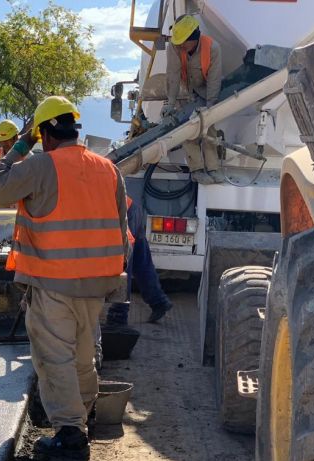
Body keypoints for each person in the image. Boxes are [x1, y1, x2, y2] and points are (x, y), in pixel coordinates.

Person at [0, 96, 130, 459]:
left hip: (53, 281)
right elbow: (121, 227)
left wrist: (19, 147)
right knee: (84, 354)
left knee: (55, 358)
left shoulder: (40, 166)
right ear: (73, 128)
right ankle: (83, 415)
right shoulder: (107, 169)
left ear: (45, 135)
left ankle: (69, 432)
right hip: (97, 283)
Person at [161, 14, 223, 185]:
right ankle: (197, 169)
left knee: (208, 127)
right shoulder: (174, 47)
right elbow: (172, 75)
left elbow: (214, 79)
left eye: (183, 42)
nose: (180, 46)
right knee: (187, 129)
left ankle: (213, 168)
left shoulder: (212, 48)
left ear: (194, 39)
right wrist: (170, 103)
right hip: (185, 92)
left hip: (205, 92)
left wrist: (210, 107)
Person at [106, 196, 172, 326]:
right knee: (140, 262)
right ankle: (158, 301)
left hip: (124, 213)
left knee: (123, 264)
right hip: (131, 209)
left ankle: (118, 315)